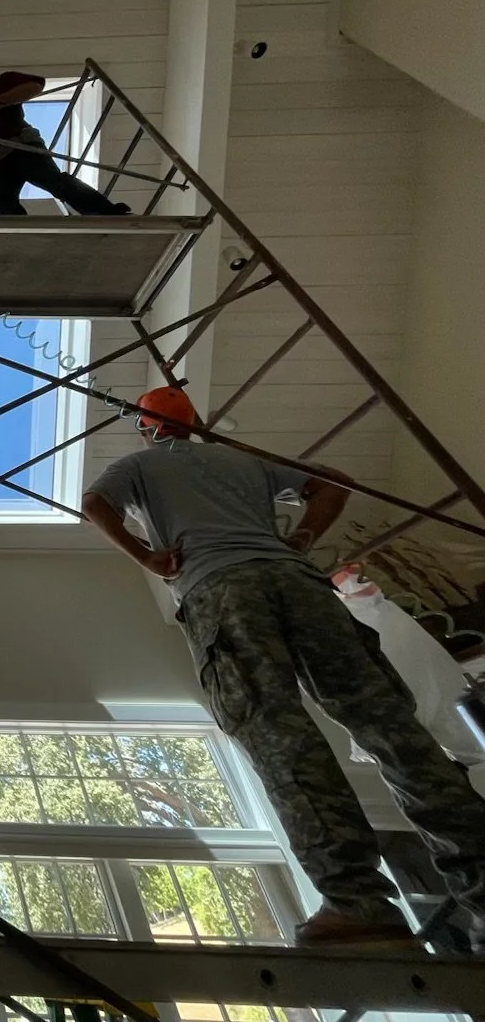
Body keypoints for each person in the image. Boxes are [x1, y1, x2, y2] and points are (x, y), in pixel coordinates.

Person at [81, 385, 485, 951]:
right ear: (194, 423)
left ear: (147, 428)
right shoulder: (242, 459)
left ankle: (358, 902)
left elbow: (94, 505)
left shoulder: (139, 464)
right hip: (301, 586)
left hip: (223, 591)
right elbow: (332, 481)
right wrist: (301, 536)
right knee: (391, 729)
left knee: (277, 733)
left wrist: (147, 556)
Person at [0, 48, 131, 216]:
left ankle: (109, 214)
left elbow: (35, 86)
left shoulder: (1, 83)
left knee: (58, 184)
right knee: (4, 209)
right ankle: (20, 243)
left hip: (20, 147)